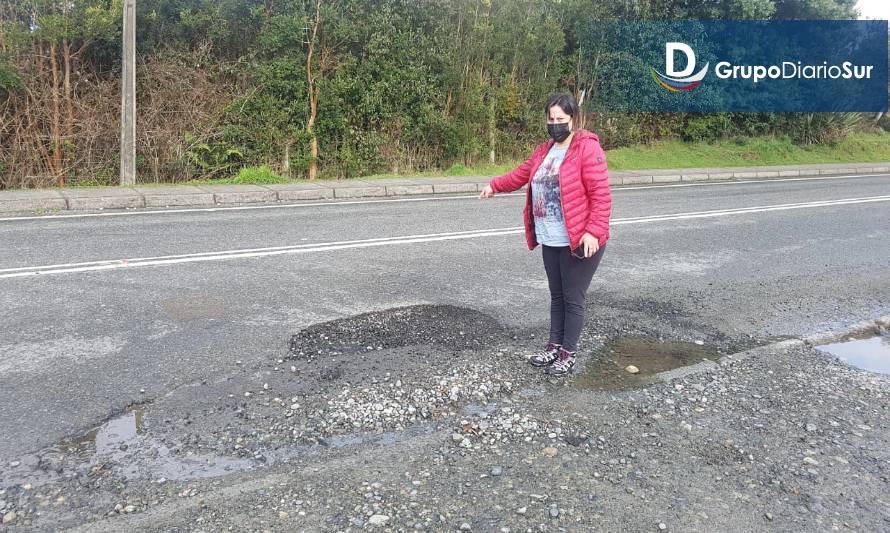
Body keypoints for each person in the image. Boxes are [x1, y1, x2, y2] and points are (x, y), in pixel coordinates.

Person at [479, 92, 612, 376]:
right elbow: (520, 174)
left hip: (580, 239)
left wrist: (593, 232)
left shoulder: (586, 149)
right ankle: (554, 346)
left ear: (573, 119)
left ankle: (568, 352)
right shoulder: (544, 151)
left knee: (573, 297)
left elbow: (601, 196)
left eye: (561, 119)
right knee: (557, 296)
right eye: (551, 119)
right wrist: (494, 185)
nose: (555, 124)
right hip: (551, 235)